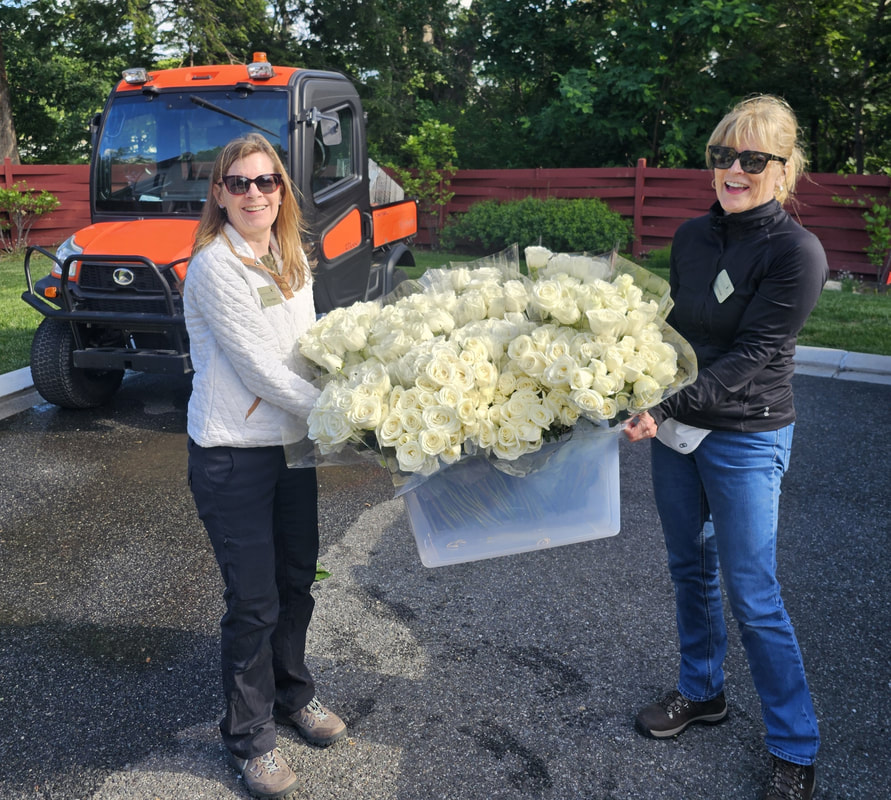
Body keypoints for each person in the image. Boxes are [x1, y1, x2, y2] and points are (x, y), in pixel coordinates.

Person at [624, 95, 826, 800]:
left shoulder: (795, 251)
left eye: (751, 158)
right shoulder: (689, 237)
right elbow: (669, 335)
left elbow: (752, 354)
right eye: (721, 156)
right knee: (689, 567)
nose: (732, 171)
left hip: (745, 431)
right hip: (677, 428)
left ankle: (794, 744)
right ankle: (701, 692)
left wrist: (661, 406)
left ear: (782, 167)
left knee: (753, 592)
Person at [185, 133, 346, 799]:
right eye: (240, 183)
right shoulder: (214, 268)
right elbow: (259, 368)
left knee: (295, 581)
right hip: (233, 453)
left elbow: (306, 346)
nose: (255, 193)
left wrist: (354, 376)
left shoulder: (290, 255)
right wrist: (343, 415)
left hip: (292, 448)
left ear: (282, 189)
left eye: (267, 181)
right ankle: (248, 737)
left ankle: (291, 693)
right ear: (219, 194)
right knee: (253, 601)